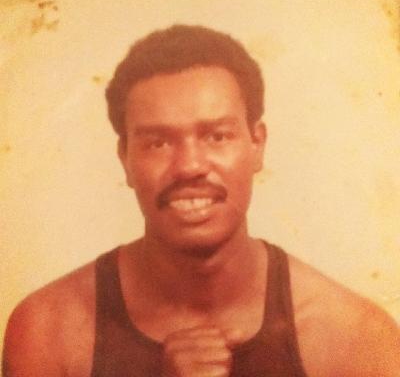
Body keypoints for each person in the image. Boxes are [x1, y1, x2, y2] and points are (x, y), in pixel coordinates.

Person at [2, 24, 400, 377]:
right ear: (125, 158)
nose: (189, 166)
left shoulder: (355, 338)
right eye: (158, 142)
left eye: (217, 136)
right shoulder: (48, 331)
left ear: (257, 144)